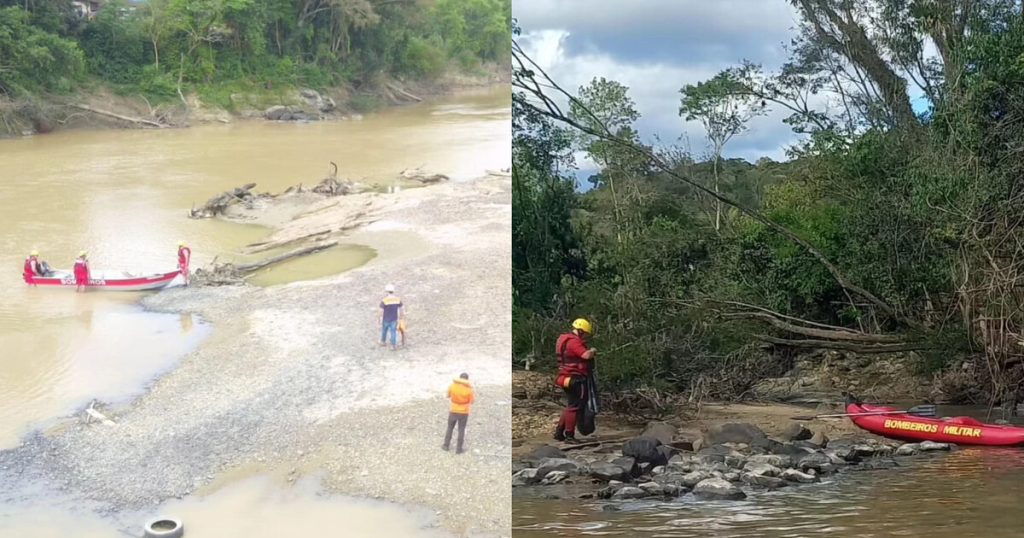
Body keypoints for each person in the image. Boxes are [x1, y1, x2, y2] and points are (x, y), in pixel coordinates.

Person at [554, 318, 597, 444]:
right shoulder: (574, 342)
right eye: (585, 333)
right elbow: (586, 355)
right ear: (580, 331)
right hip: (575, 379)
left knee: (570, 406)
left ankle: (559, 432)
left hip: (564, 377)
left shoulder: (562, 339)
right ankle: (569, 435)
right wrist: (593, 350)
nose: (585, 337)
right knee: (575, 407)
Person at [443, 373, 475, 454]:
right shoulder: (469, 389)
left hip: (453, 410)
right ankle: (459, 449)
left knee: (450, 428)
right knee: (461, 429)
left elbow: (447, 396)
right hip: (464, 412)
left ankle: (446, 445)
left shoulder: (452, 386)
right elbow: (472, 401)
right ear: (467, 380)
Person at [378, 284, 404, 350]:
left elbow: (381, 310)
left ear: (387, 292)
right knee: (393, 332)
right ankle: (393, 345)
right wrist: (401, 316)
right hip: (394, 319)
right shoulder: (398, 299)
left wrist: (380, 318)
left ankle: (383, 341)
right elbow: (401, 308)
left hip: (386, 319)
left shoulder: (384, 300)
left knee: (384, 330)